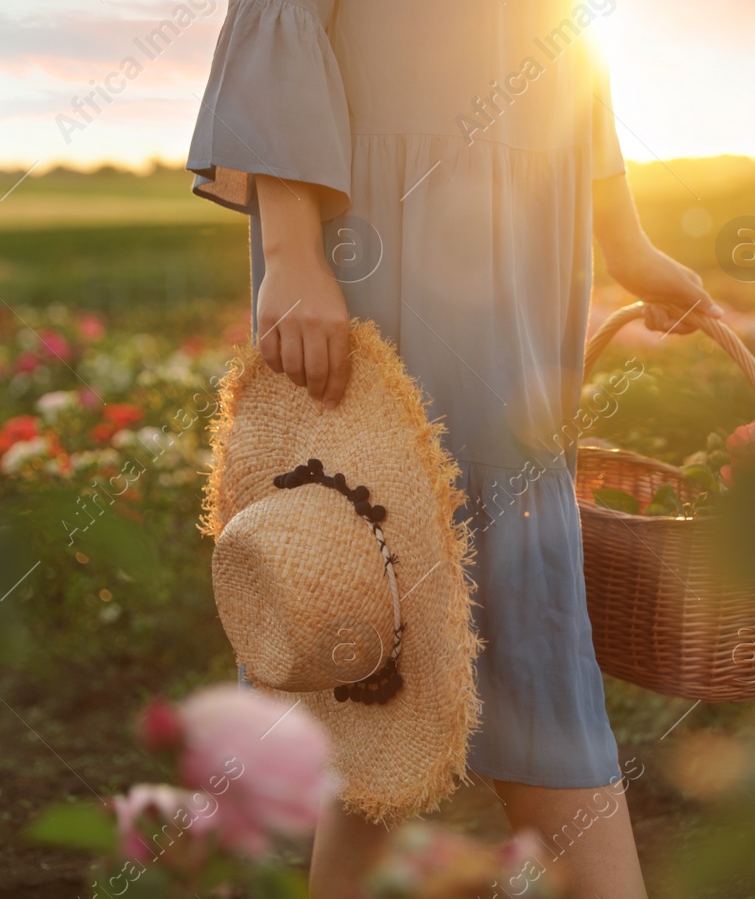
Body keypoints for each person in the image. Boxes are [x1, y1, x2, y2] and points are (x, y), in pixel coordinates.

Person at [187, 2, 721, 895]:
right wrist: (289, 245)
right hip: (375, 218)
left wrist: (626, 239)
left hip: (520, 214)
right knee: (374, 579)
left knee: (440, 604)